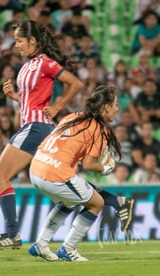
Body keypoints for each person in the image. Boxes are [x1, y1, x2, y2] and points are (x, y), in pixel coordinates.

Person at [0, 20, 84, 249]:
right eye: (15, 41)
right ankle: (96, 201)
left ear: (32, 40)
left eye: (20, 41)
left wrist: (59, 105)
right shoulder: (26, 66)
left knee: (0, 176)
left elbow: (76, 84)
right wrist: (15, 97)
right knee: (54, 182)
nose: (17, 45)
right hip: (33, 126)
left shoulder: (46, 64)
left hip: (36, 127)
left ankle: (12, 234)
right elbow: (31, 101)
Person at [27, 85, 130, 261]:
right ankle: (68, 249)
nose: (117, 109)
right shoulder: (98, 129)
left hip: (36, 167)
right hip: (54, 173)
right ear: (106, 107)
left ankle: (41, 244)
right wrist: (106, 168)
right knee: (96, 203)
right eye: (115, 105)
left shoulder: (73, 116)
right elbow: (89, 165)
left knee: (70, 201)